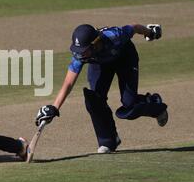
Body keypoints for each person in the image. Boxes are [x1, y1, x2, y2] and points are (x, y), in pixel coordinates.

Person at [35, 24, 168, 153]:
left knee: (129, 107)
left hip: (125, 57)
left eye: (84, 50)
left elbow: (135, 28)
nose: (80, 55)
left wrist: (150, 33)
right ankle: (108, 141)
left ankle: (154, 103)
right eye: (78, 51)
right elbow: (68, 83)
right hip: (100, 63)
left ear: (96, 42)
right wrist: (54, 108)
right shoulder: (81, 56)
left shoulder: (115, 35)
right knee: (94, 99)